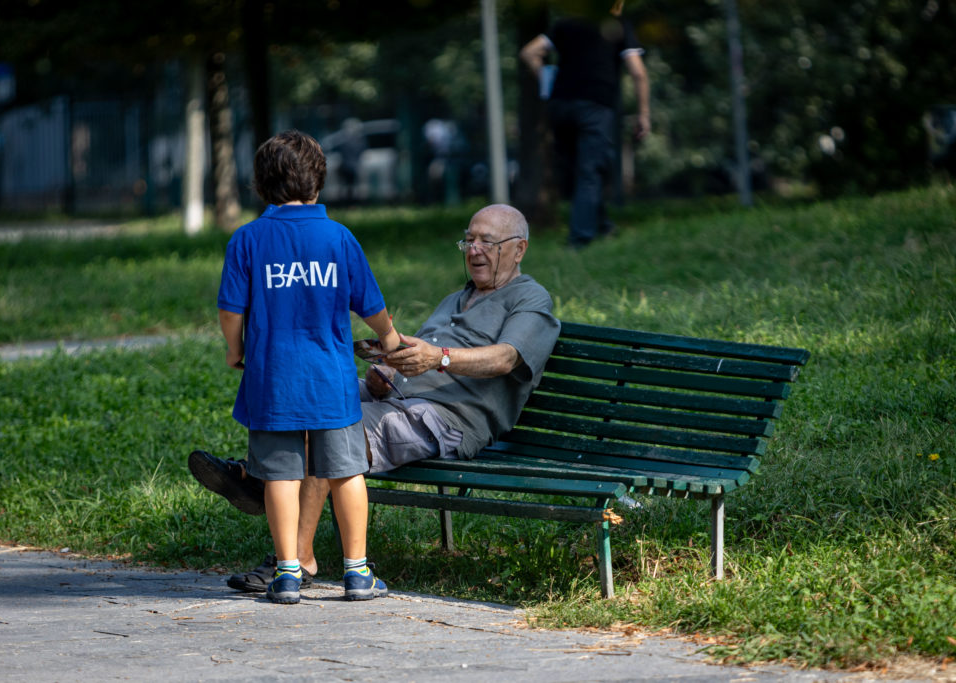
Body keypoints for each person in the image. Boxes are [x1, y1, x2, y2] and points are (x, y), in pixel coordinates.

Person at [190, 203, 561, 593]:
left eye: (487, 241)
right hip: (398, 398)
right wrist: (388, 370)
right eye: (468, 241)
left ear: (519, 248)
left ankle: (289, 545)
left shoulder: (530, 299)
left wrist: (440, 357)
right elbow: (414, 354)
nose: (474, 250)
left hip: (445, 417)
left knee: (326, 427)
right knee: (306, 392)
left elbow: (505, 359)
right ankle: (262, 482)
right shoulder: (456, 298)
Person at [216, 129, 400, 604]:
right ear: (318, 182)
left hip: (271, 381)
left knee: (280, 475)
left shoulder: (247, 239)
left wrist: (235, 350)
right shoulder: (338, 237)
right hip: (331, 381)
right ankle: (357, 573)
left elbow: (231, 310)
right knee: (347, 473)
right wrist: (389, 337)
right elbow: (371, 304)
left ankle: (287, 574)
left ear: (261, 185)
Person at [519, 0, 651, 249]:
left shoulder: (566, 23)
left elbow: (529, 52)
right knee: (590, 171)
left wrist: (547, 81)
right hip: (595, 106)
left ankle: (603, 226)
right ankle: (579, 240)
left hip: (560, 106)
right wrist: (643, 113)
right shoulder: (616, 25)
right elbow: (638, 72)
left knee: (578, 170)